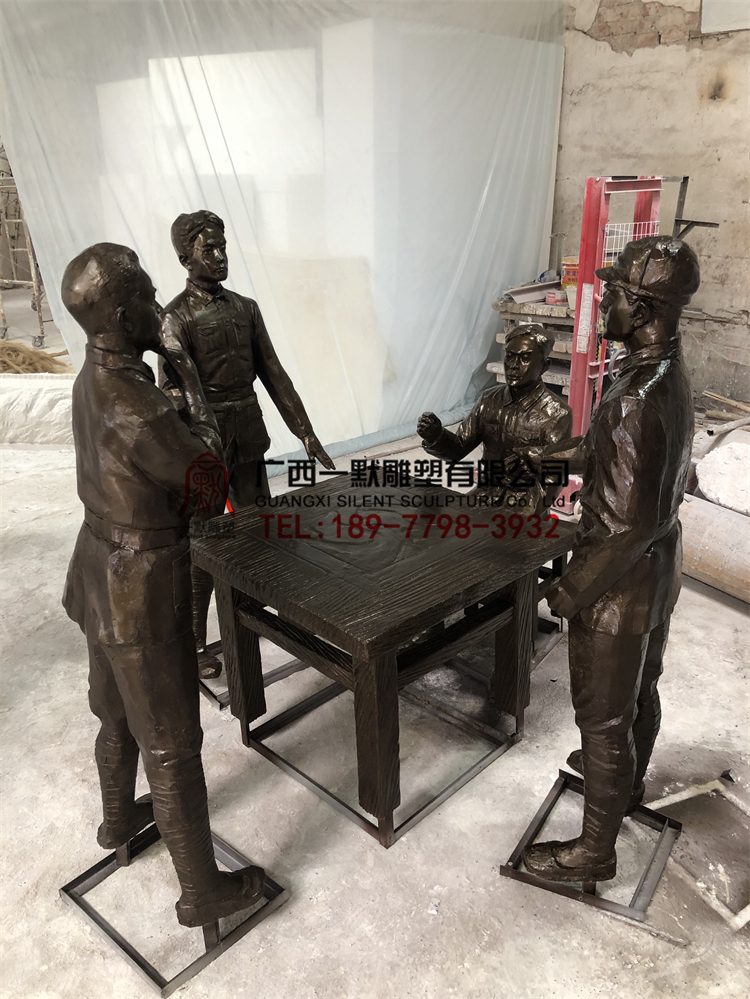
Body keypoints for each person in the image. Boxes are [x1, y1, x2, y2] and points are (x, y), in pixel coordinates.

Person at [62, 243, 265, 927]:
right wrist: (190, 383)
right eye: (149, 298)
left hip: (96, 569)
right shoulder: (140, 406)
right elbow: (209, 484)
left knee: (115, 712)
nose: (160, 307)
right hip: (140, 587)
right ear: (123, 318)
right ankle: (202, 892)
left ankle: (119, 820)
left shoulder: (91, 378)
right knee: (174, 744)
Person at [523, 236, 700, 883]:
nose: (602, 308)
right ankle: (625, 785)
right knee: (639, 691)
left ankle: (594, 851)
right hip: (658, 573)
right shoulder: (664, 374)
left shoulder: (634, 397)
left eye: (613, 296)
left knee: (600, 720)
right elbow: (632, 467)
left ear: (642, 307)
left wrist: (569, 589)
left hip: (617, 583)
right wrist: (554, 457)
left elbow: (628, 525)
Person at [160, 210, 334, 678]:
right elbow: (172, 391)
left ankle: (270, 616)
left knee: (264, 530)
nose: (220, 257)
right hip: (205, 439)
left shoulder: (246, 309)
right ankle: (195, 642)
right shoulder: (174, 317)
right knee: (205, 540)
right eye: (209, 249)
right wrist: (189, 448)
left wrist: (306, 432)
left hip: (249, 432)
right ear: (185, 258)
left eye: (223, 247)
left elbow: (274, 374)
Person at [417, 324, 572, 511]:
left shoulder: (557, 414)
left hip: (525, 505)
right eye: (510, 356)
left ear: (544, 366)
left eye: (524, 358)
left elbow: (553, 480)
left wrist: (524, 518)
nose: (514, 366)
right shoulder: (488, 400)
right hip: (484, 495)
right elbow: (458, 448)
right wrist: (436, 436)